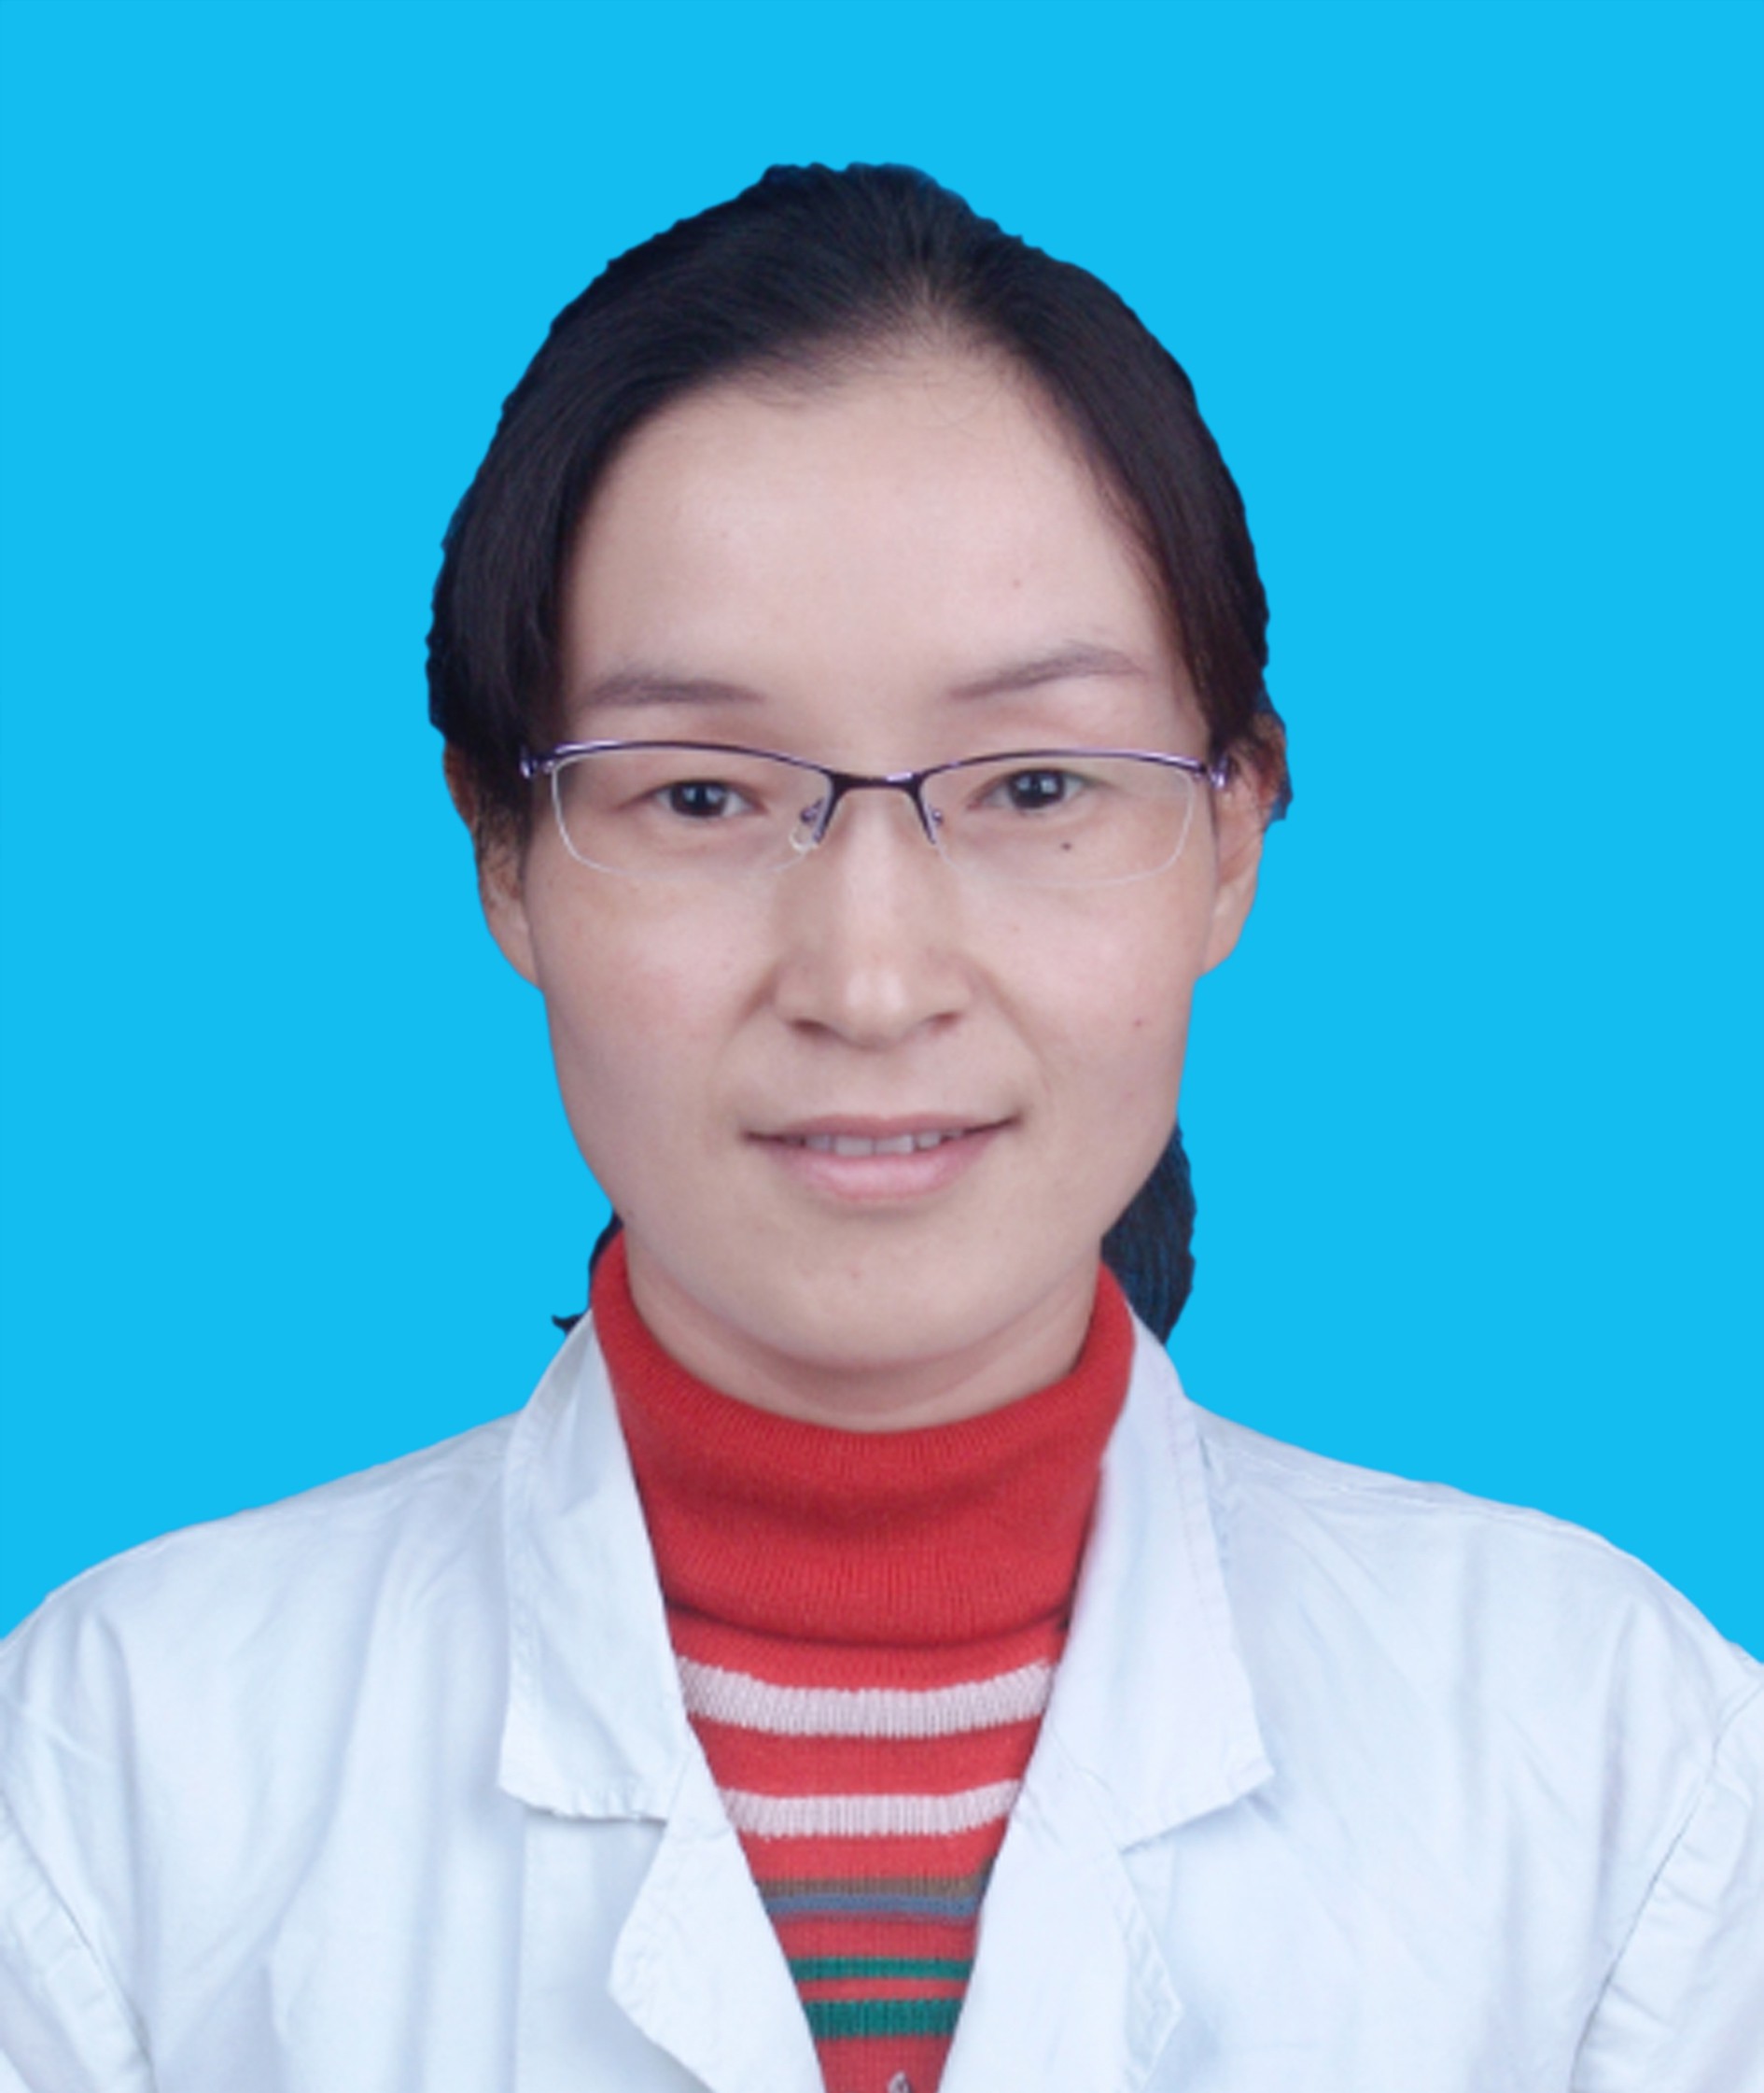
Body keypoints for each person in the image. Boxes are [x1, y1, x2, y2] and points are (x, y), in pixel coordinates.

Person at [0, 163, 1757, 2093]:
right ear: (503, 854)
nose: (869, 975)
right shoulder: (116, 1774)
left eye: (1033, 785)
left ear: (1232, 836)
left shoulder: (1618, 1769)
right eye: (699, 796)